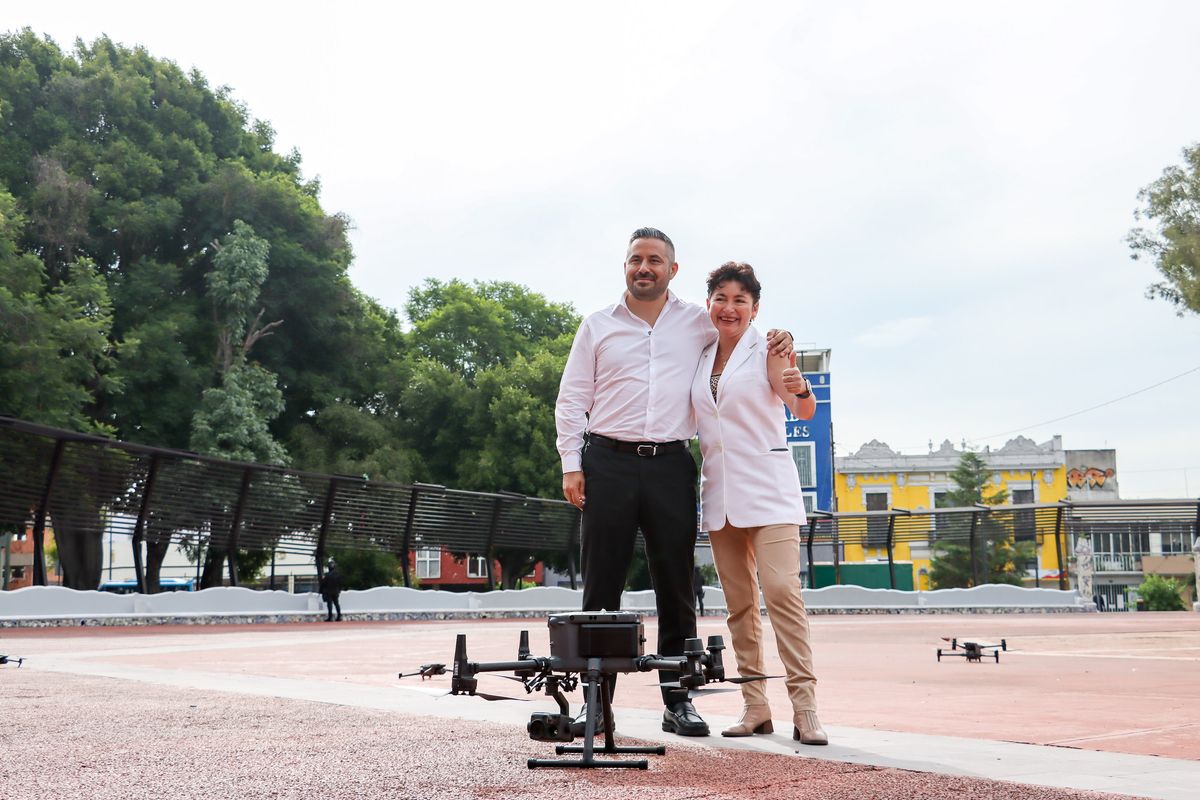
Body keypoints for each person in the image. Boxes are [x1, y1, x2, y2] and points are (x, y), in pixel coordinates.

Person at [555, 227, 793, 738]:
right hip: (607, 463)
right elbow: (572, 397)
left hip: (670, 465)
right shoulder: (596, 326)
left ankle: (677, 699)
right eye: (636, 259)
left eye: (655, 260)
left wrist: (780, 338)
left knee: (676, 587)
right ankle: (595, 705)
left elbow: (740, 330)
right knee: (601, 588)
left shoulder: (697, 322)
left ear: (672, 270)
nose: (645, 268)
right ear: (625, 266)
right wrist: (571, 463)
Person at [689, 261, 827, 745]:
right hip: (722, 495)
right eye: (721, 298)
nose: (729, 308)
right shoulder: (701, 353)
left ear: (755, 308)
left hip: (770, 493)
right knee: (739, 606)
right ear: (709, 304)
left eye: (739, 300)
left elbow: (803, 409)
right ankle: (755, 706)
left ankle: (805, 709)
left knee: (782, 592)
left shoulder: (768, 348)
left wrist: (801, 386)